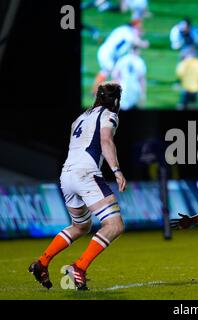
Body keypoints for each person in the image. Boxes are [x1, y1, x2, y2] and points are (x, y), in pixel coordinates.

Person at [28, 82, 127, 290]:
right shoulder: (109, 115)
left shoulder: (79, 118)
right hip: (86, 173)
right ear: (116, 100)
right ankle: (79, 268)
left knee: (81, 226)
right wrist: (117, 171)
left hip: (67, 174)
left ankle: (43, 262)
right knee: (115, 225)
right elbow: (106, 140)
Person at [92, 21, 149, 94]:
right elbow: (135, 41)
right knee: (116, 73)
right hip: (108, 54)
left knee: (105, 72)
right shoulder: (127, 31)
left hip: (107, 53)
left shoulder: (123, 30)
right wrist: (144, 43)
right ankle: (114, 94)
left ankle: (95, 92)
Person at [112, 45, 147, 110]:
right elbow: (142, 79)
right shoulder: (140, 61)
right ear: (138, 51)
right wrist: (143, 94)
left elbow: (115, 74)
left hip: (124, 87)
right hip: (135, 88)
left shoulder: (123, 59)